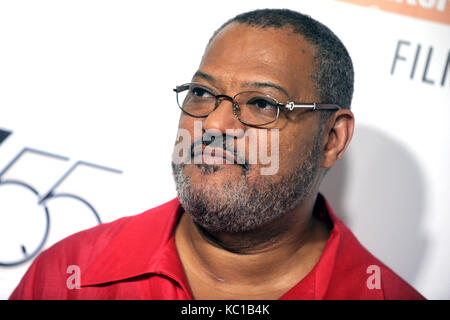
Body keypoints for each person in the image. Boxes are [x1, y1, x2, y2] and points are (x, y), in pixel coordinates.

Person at [10, 8, 424, 300]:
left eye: (262, 104)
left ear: (332, 139)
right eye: (202, 94)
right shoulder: (70, 273)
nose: (213, 125)